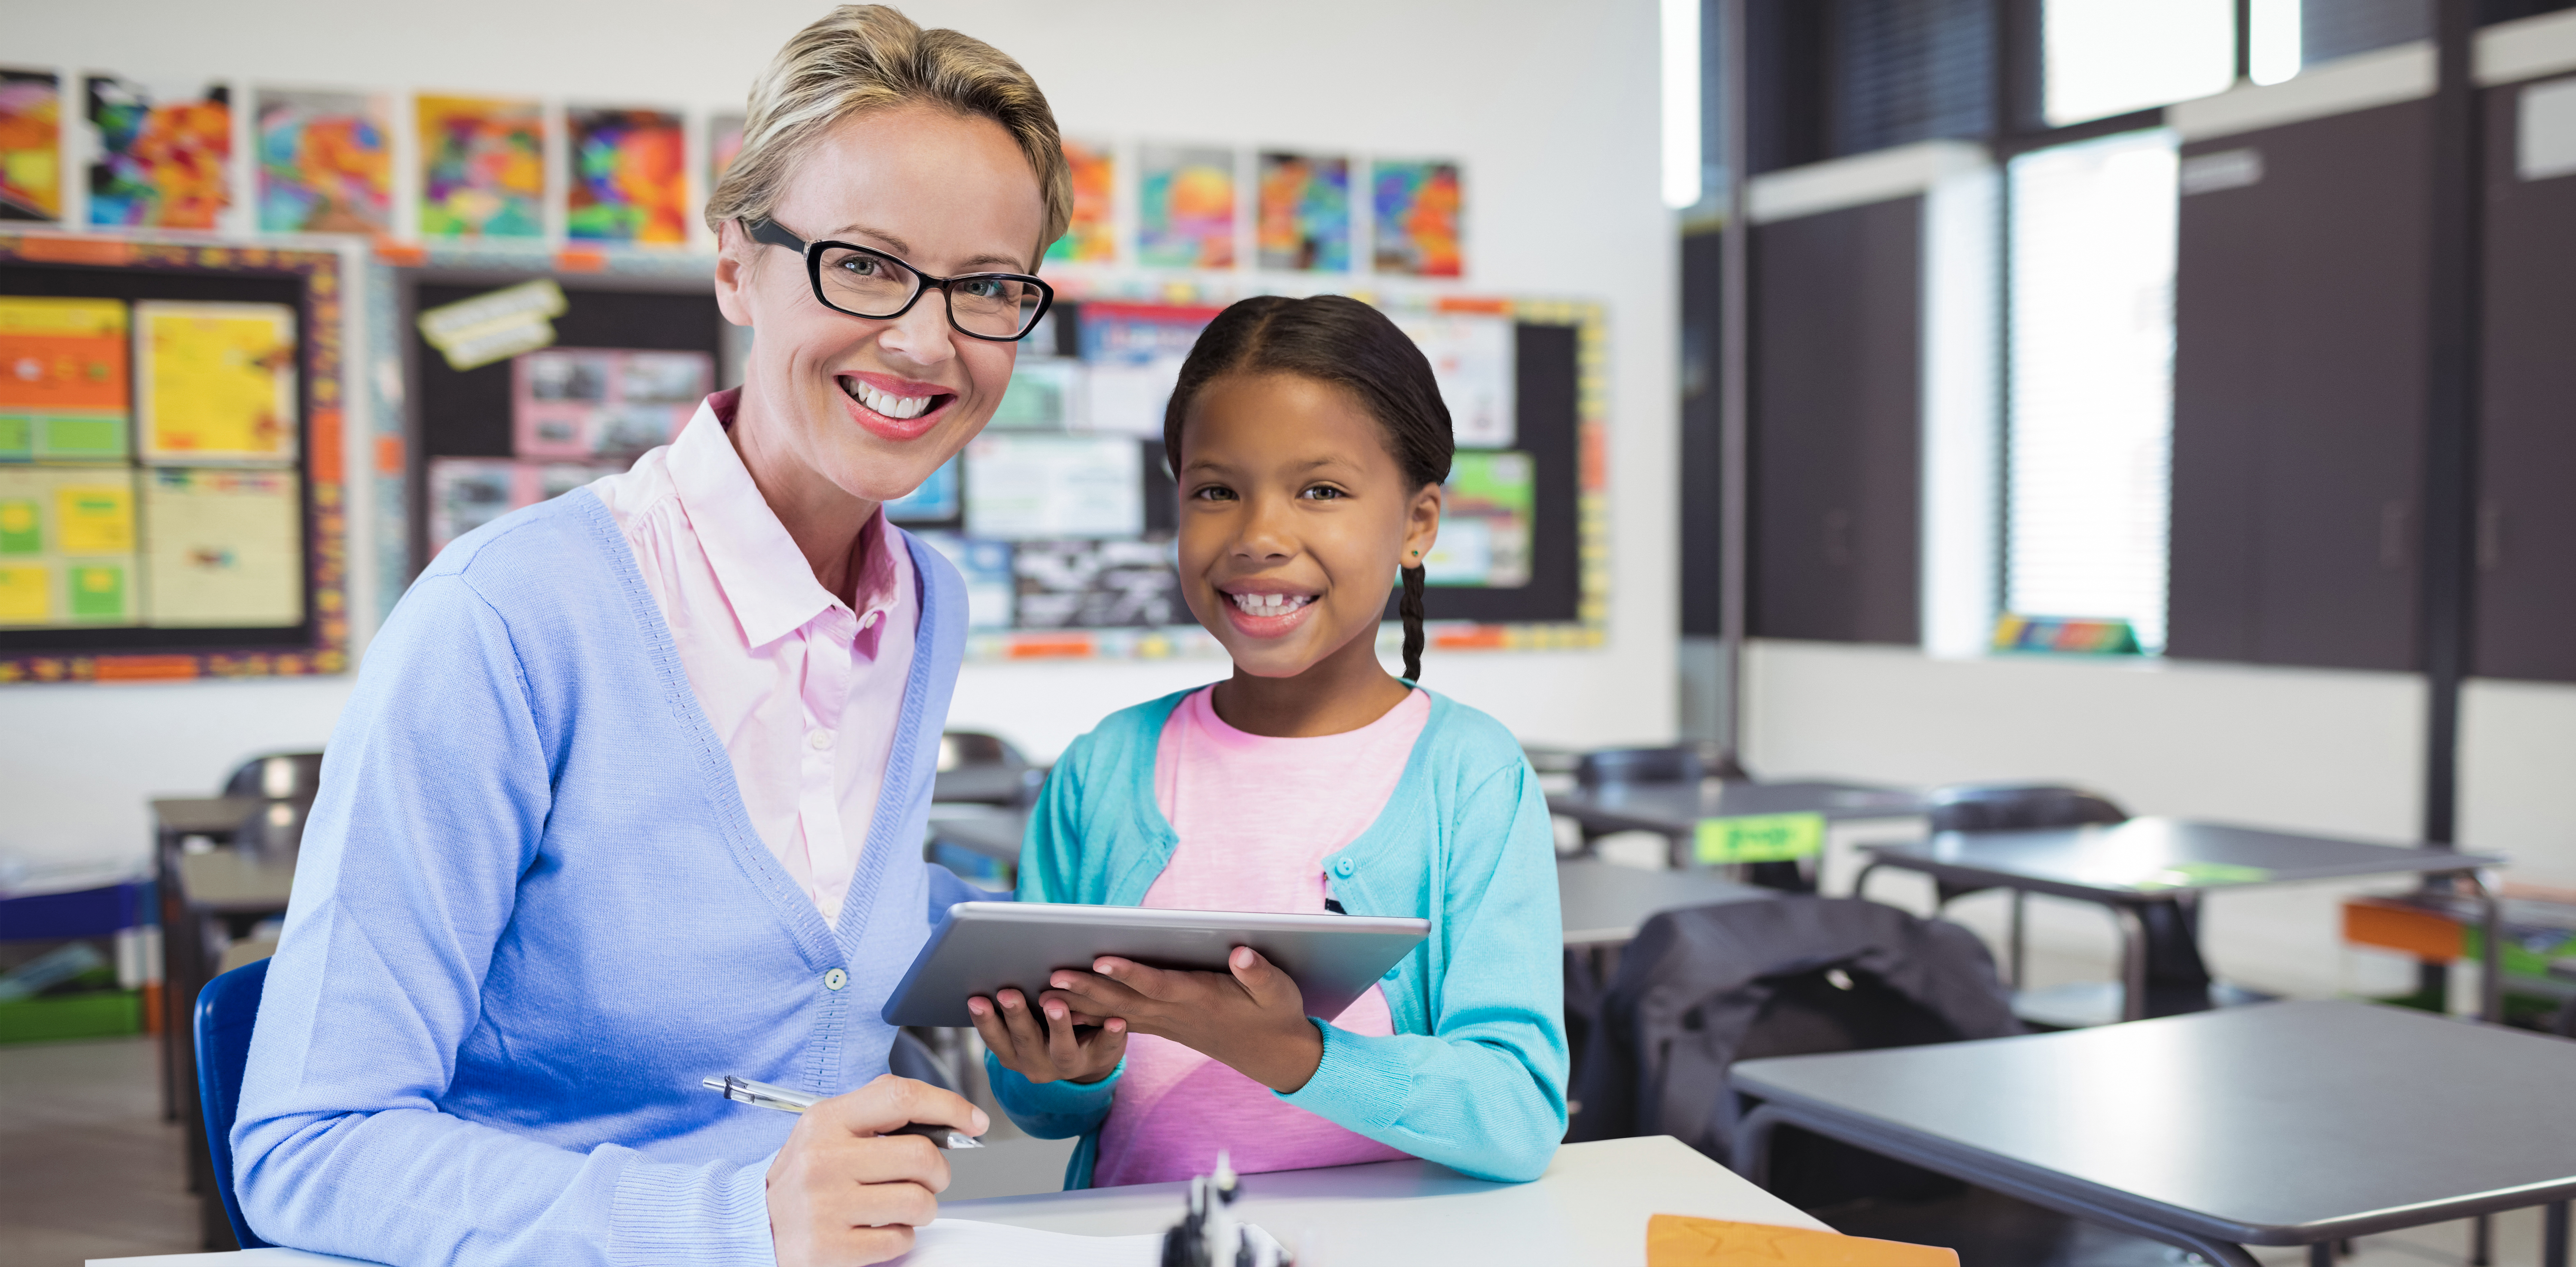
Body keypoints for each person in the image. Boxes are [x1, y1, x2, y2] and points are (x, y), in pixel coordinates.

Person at [231, 9, 1068, 1264]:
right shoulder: (506, 617)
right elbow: (308, 1142)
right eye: (864, 264)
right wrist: (733, 1219)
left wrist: (1054, 971)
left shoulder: (924, 599)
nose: (924, 338)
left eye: (988, 286)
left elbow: (809, 917)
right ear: (737, 264)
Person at [965, 295, 1568, 1189]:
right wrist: (1069, 1066)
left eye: (1320, 491)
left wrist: (1293, 1053)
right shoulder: (1104, 768)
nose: (1258, 538)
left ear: (1417, 524)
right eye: (1216, 491)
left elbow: (1517, 1115)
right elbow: (1046, 1108)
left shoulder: (1472, 775)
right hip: (1151, 1239)